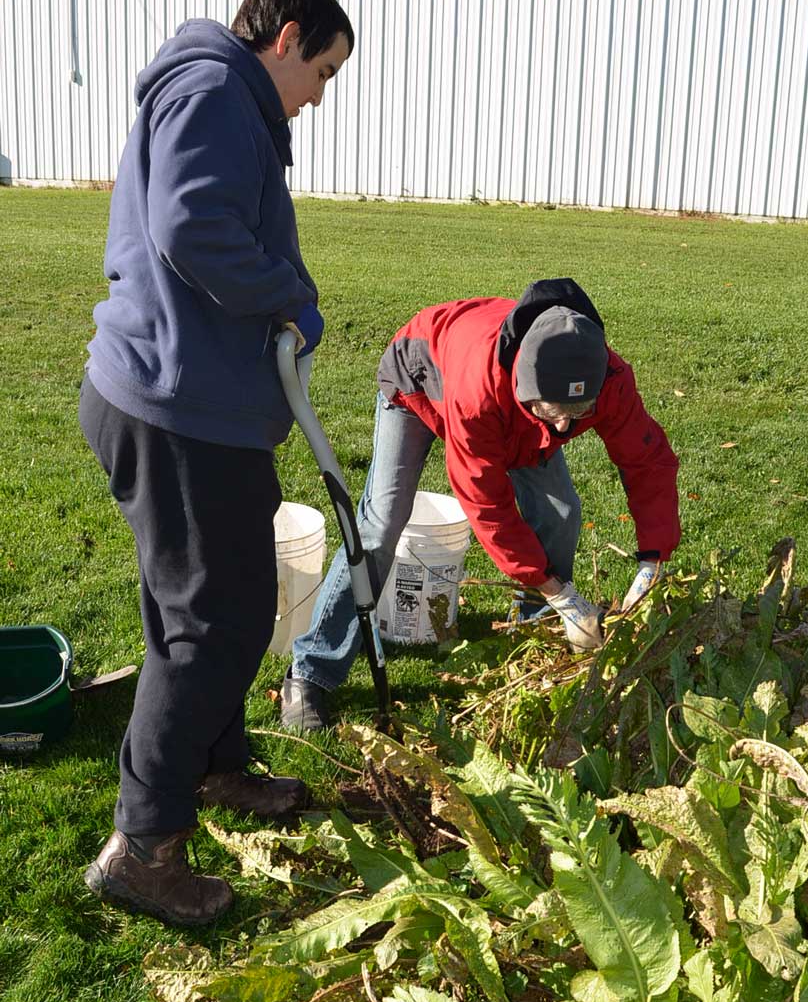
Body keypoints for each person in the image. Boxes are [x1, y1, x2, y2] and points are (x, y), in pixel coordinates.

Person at [80, 0, 354, 926]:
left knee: (194, 606)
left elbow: (214, 221)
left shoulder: (222, 97)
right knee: (218, 620)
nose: (321, 93)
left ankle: (215, 766)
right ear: (284, 39)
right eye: (322, 68)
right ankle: (143, 844)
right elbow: (191, 224)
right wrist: (287, 298)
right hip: (175, 406)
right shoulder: (210, 90)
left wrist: (288, 291)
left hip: (189, 403)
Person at [281, 278, 680, 731]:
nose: (567, 424)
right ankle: (311, 673)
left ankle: (534, 633)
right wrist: (564, 594)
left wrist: (653, 560)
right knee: (380, 526)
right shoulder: (479, 391)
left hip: (516, 418)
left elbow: (648, 462)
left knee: (560, 511)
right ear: (524, 385)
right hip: (417, 381)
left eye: (580, 412)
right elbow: (487, 505)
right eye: (554, 411)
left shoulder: (603, 377)